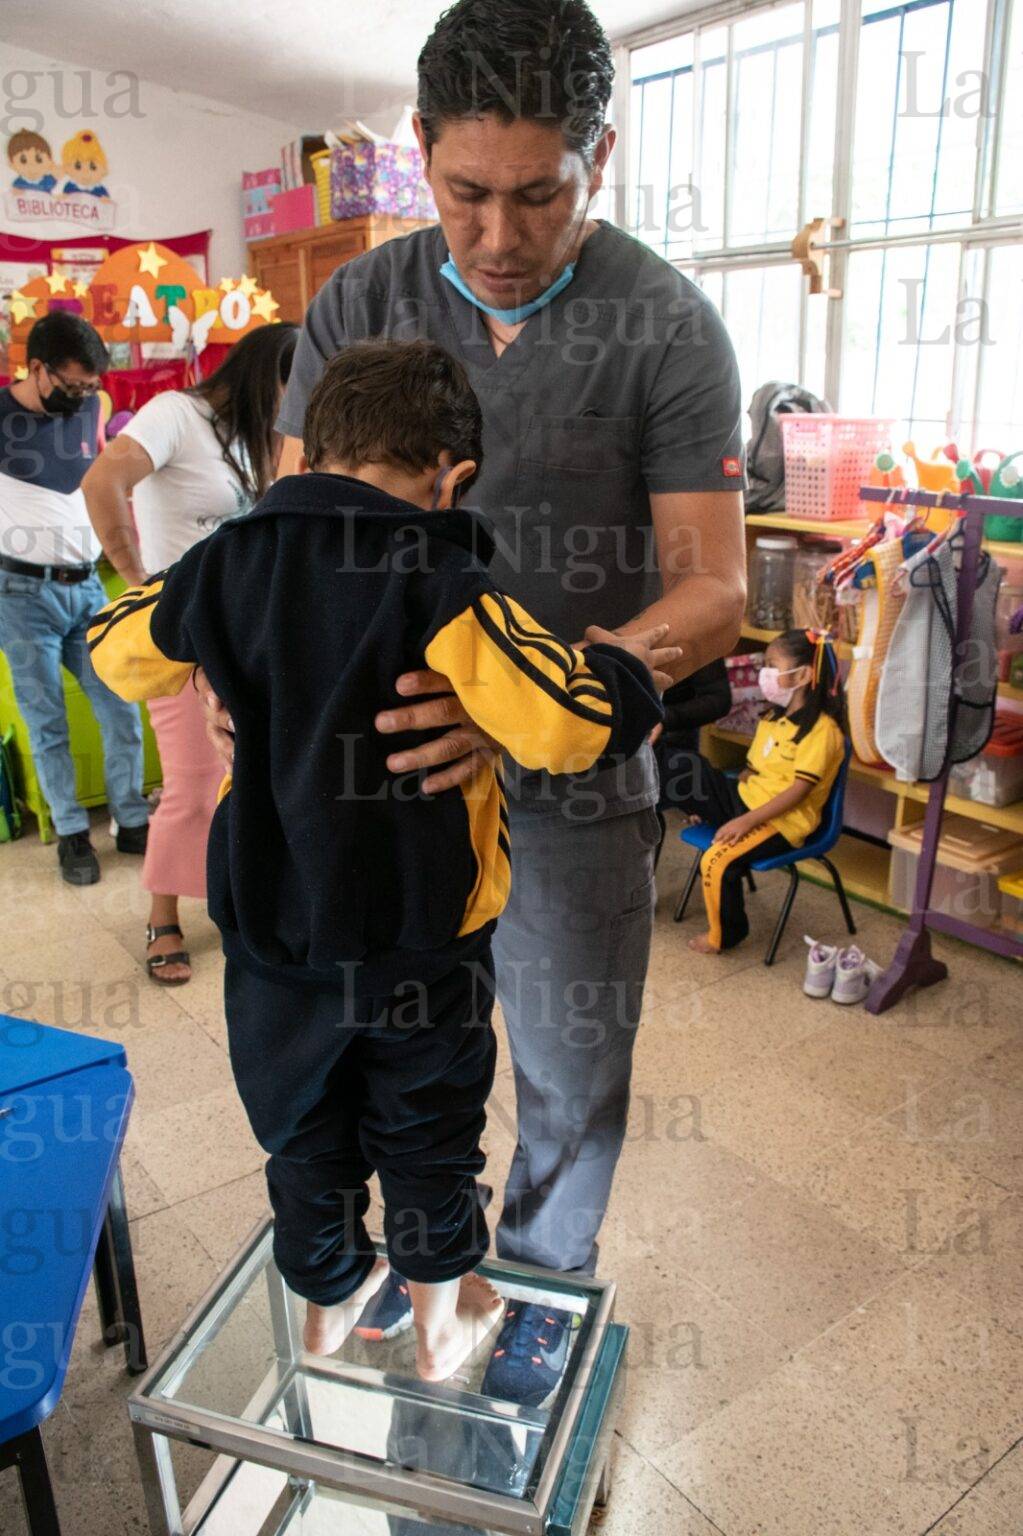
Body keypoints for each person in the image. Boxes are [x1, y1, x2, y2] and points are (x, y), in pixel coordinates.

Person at [198, 0, 746, 1383]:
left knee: (567, 1085)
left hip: (571, 788)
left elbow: (711, 586)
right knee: (363, 1067)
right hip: (365, 793)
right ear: (422, 153)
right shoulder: (359, 302)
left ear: (598, 160)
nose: (498, 239)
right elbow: (286, 528)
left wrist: (552, 692)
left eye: (539, 195)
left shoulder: (667, 328)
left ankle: (532, 1318)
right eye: (464, 195)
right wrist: (248, 672)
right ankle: (398, 1291)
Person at [86, 338, 673, 1380]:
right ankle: (443, 1320)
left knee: (304, 1135)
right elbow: (562, 726)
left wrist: (219, 661)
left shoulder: (223, 560)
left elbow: (113, 649)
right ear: (453, 476)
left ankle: (322, 1313)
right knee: (427, 1134)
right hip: (419, 946)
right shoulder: (442, 576)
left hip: (273, 939)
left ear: (312, 450)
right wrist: (623, 669)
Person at [83, 323, 298, 985]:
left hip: (251, 634)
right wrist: (140, 580)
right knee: (191, 779)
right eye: (297, 385)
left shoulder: (265, 438)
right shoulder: (177, 414)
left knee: (251, 770)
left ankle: (247, 897)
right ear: (268, 374)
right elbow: (102, 481)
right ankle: (163, 916)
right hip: (179, 637)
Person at [0, 311, 149, 884]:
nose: (83, 396)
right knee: (48, 723)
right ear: (37, 368)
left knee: (121, 709)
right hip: (21, 594)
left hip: (87, 587)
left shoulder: (92, 408)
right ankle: (70, 833)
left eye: (91, 386)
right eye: (72, 385)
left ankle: (132, 820)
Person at [668, 631, 847, 953]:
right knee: (683, 765)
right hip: (746, 799)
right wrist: (706, 802)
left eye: (772, 666)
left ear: (804, 675)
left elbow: (797, 792)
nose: (764, 674)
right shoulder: (774, 718)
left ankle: (724, 935)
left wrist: (745, 822)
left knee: (717, 861)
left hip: (780, 821)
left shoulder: (822, 731)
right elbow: (752, 770)